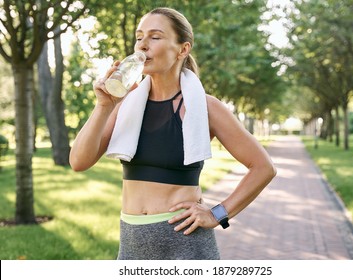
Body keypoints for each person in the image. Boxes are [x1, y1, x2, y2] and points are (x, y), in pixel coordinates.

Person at [69, 7, 276, 260]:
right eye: (139, 37)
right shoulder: (124, 103)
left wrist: (217, 213)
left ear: (183, 49)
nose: (143, 45)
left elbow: (263, 167)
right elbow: (78, 162)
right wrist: (103, 106)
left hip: (185, 244)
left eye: (155, 37)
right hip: (132, 244)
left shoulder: (206, 107)